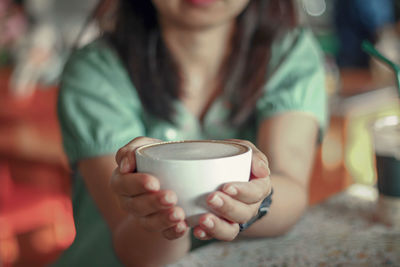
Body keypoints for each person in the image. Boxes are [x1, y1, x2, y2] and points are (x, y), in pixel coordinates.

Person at [55, 0, 327, 266]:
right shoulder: (96, 71)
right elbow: (139, 254)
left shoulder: (289, 54)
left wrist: (255, 203)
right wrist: (162, 214)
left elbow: (291, 188)